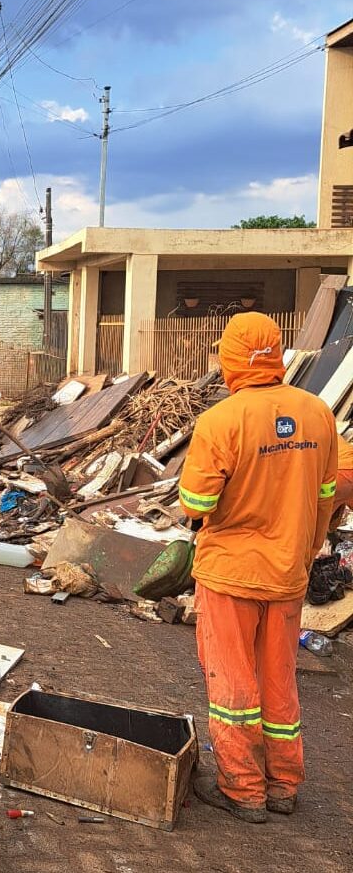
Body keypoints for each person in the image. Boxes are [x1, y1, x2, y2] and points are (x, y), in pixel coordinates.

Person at [178, 312, 338, 823]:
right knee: (278, 680)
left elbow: (195, 502)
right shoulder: (317, 414)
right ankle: (284, 785)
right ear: (277, 354)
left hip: (231, 573)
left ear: (229, 358)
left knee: (233, 685)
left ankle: (242, 788)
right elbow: (328, 495)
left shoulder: (223, 420)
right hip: (290, 571)